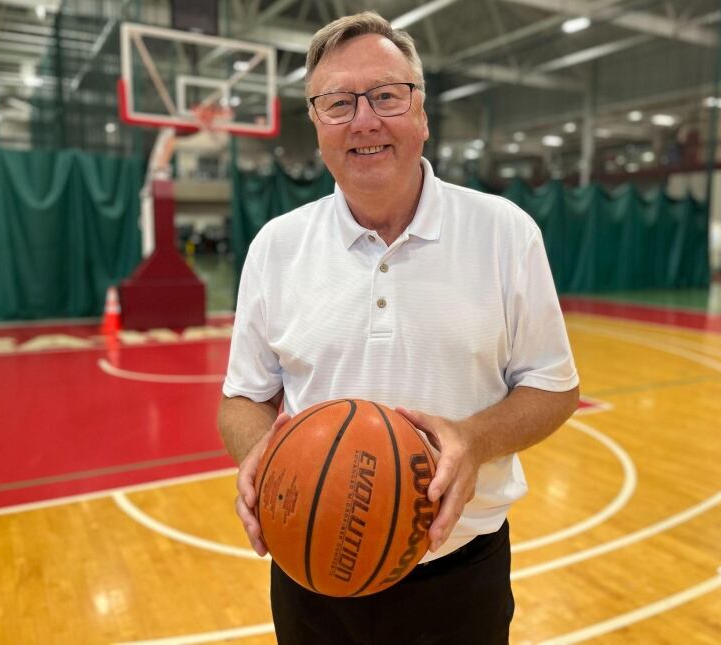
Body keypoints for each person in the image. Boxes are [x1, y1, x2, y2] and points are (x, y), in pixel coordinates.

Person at [218, 11, 579, 644]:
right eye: (338, 103)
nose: (364, 120)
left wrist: (472, 439)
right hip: (310, 569)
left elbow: (555, 387)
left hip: (460, 574)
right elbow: (243, 397)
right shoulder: (276, 246)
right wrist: (263, 458)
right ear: (316, 122)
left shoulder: (505, 232)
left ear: (421, 114)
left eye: (387, 95)